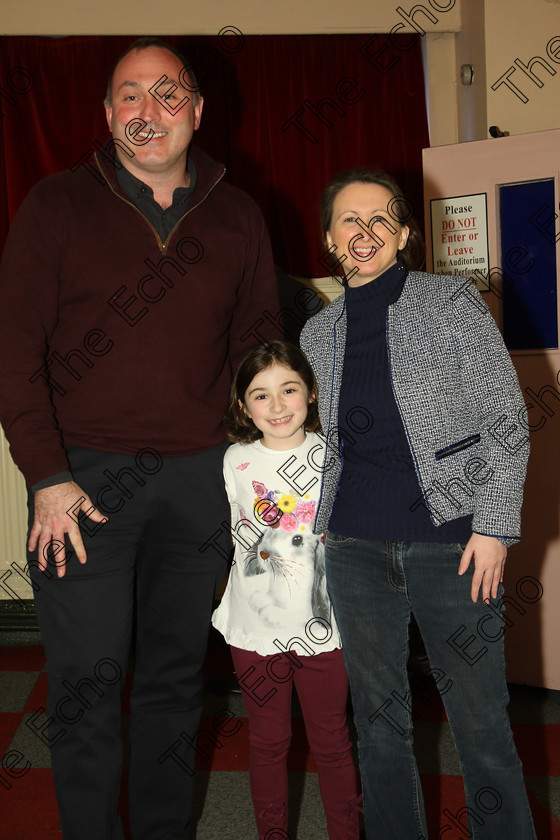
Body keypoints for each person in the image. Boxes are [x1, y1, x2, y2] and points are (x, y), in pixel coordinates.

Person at [0, 38, 281, 840]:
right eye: (129, 95)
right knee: (87, 689)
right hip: (80, 487)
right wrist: (47, 477)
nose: (146, 111)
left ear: (196, 111)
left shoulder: (239, 214)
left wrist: (270, 473)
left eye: (166, 95)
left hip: (200, 482)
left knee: (171, 687)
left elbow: (257, 350)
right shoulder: (54, 206)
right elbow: (14, 357)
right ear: (107, 114)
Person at [300, 168, 537, 839]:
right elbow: (335, 445)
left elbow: (506, 418)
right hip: (352, 549)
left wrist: (493, 526)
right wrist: (320, 532)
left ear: (404, 233)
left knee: (481, 725)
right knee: (378, 726)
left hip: (453, 545)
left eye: (381, 219)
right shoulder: (320, 334)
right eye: (350, 220)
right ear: (328, 238)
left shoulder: (451, 301)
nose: (365, 232)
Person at [212, 340, 361, 839]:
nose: (276, 407)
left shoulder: (336, 457)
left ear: (312, 392)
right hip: (253, 629)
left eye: (289, 389)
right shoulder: (234, 460)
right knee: (269, 742)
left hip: (325, 628)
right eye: (260, 395)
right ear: (242, 406)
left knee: (333, 741)